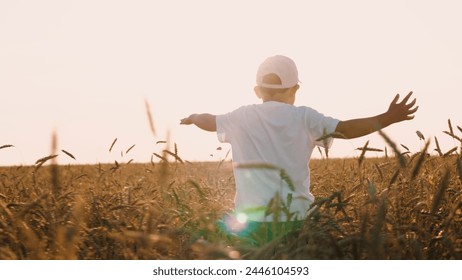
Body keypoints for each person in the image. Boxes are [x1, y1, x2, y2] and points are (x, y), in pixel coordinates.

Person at [180, 55, 418, 245]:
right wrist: (387, 118)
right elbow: (345, 129)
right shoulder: (305, 117)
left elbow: (209, 121)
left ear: (256, 90)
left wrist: (193, 116)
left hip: (251, 222)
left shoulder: (241, 117)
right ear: (295, 89)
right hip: (297, 219)